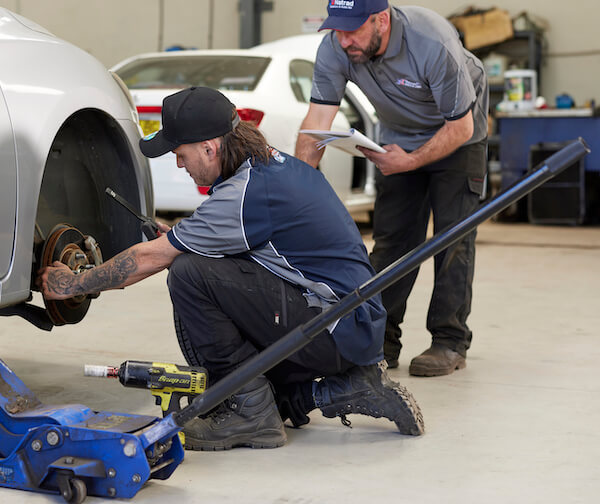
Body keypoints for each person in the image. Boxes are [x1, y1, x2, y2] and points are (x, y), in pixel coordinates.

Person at [37, 86, 424, 451]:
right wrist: (187, 235)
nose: (178, 162)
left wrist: (74, 283)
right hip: (350, 326)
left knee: (188, 272)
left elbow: (148, 259)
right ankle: (339, 390)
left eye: (180, 152)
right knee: (198, 265)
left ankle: (251, 412)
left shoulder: (244, 195)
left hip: (334, 329)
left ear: (208, 147)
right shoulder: (271, 165)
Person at [295, 0, 488, 377]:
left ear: (380, 20)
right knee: (392, 242)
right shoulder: (336, 47)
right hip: (398, 138)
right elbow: (316, 122)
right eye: (337, 30)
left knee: (453, 238)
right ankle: (379, 340)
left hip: (459, 134)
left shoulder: (430, 41)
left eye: (352, 31)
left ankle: (449, 341)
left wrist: (412, 161)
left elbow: (461, 128)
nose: (344, 40)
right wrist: (297, 185)